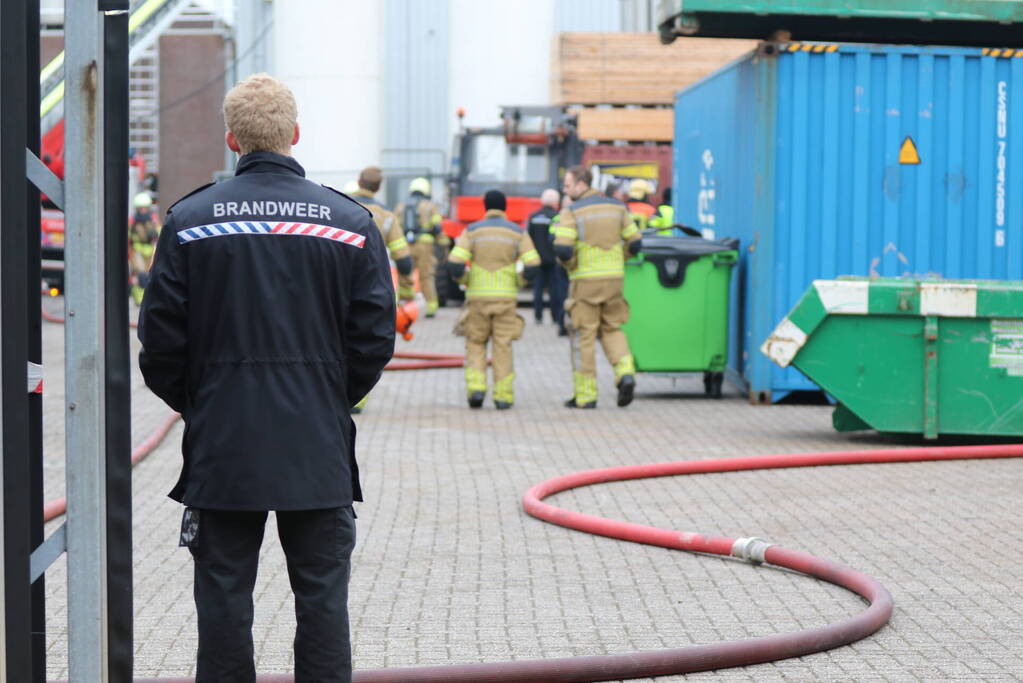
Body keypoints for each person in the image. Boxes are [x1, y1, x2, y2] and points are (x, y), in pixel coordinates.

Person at [137, 73, 395, 683]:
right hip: (318, 444)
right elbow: (375, 337)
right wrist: (330, 396)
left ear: (231, 139)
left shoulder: (190, 220)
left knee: (223, 602)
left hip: (225, 447)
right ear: (295, 134)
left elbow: (159, 343)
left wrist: (205, 404)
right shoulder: (348, 221)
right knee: (323, 601)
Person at [554, 165, 641, 409]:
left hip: (585, 283)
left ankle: (586, 395)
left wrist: (571, 265)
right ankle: (625, 373)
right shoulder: (617, 207)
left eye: (568, 185)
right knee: (612, 328)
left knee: (584, 336)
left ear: (582, 184)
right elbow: (635, 243)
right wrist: (618, 259)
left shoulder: (571, 211)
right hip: (614, 280)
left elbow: (563, 249)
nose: (565, 189)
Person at [447, 189, 540, 409]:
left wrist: (466, 279)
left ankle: (476, 389)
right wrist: (519, 281)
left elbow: (454, 262)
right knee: (503, 345)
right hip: (506, 298)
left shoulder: (472, 231)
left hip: (478, 298)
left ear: (485, 207)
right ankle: (503, 397)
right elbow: (533, 263)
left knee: (476, 343)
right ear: (505, 207)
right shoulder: (517, 232)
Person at [350, 166, 415, 301]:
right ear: (379, 188)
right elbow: (403, 260)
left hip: (340, 284)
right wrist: (406, 291)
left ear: (358, 182)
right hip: (373, 287)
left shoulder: (339, 207)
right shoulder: (387, 216)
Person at [395, 177, 446, 317]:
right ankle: (431, 307)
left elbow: (395, 227)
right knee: (426, 276)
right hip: (425, 245)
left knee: (405, 274)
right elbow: (437, 228)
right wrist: (443, 244)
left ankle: (404, 309)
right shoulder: (430, 206)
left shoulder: (401, 206)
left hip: (405, 244)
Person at [526, 188, 566, 331]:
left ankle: (538, 316)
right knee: (554, 289)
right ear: (555, 202)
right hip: (552, 259)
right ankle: (555, 316)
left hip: (536, 258)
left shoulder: (533, 216)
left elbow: (528, 238)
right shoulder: (556, 217)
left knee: (537, 289)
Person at [128, 191, 161, 305]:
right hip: (137, 250)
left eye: (145, 208)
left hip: (150, 249)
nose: (143, 210)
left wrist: (155, 233)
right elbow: (128, 236)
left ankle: (148, 298)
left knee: (150, 275)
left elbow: (160, 232)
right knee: (140, 275)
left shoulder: (153, 220)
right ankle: (140, 300)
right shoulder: (132, 221)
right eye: (140, 208)